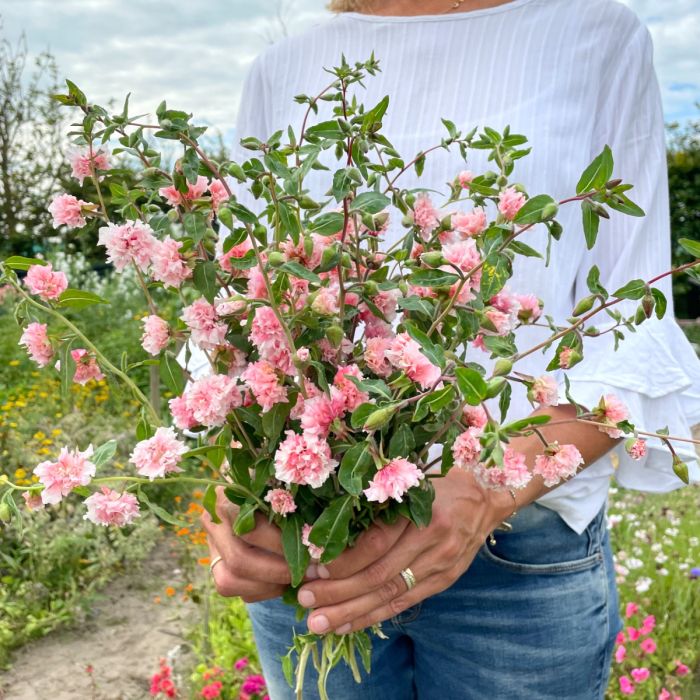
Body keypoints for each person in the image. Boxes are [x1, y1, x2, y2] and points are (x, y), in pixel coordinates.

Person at [198, 1, 700, 697]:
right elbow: (243, 309)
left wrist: (488, 492)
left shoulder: (596, 36)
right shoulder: (280, 71)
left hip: (517, 561)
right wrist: (237, 482)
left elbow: (636, 330)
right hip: (314, 546)